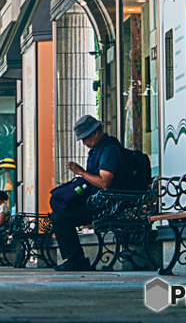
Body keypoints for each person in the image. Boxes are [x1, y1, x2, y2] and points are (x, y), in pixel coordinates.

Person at [49, 114, 124, 272]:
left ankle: (76, 259)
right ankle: (74, 258)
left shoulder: (109, 150)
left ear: (95, 133)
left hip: (106, 205)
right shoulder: (97, 150)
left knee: (61, 218)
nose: (83, 143)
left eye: (85, 138)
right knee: (58, 213)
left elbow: (104, 182)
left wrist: (81, 172)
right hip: (95, 201)